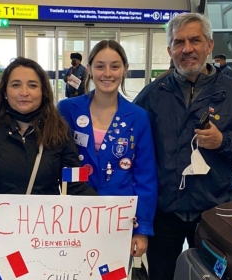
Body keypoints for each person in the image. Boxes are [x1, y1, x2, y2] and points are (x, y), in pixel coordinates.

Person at [134, 13, 232, 280]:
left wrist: (223, 142)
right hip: (165, 212)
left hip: (213, 211)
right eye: (179, 42)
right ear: (170, 50)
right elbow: (132, 146)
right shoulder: (153, 94)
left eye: (195, 40)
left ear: (209, 45)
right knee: (162, 275)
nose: (187, 49)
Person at [0, 57, 98, 280]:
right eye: (16, 84)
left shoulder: (58, 131)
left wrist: (110, 213)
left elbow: (74, 182)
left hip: (41, 246)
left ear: (44, 91)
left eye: (32, 85)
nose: (24, 92)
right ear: (4, 91)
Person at [57, 40, 158, 260]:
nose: (107, 73)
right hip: (73, 215)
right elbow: (54, 162)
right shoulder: (67, 110)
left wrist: (142, 229)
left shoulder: (138, 117)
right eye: (100, 66)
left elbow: (145, 176)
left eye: (115, 66)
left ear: (124, 70)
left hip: (119, 219)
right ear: (90, 70)